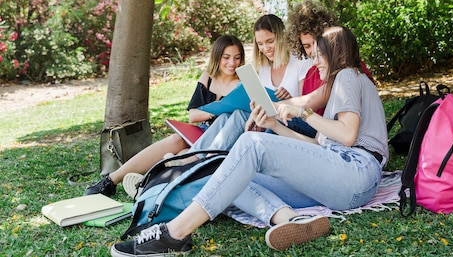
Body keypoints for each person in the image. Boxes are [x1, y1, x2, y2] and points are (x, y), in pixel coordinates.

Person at [109, 26, 389, 256]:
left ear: (336, 53)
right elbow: (318, 147)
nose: (315, 61)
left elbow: (348, 135)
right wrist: (271, 126)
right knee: (231, 172)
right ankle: (289, 220)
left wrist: (302, 111)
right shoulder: (338, 89)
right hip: (338, 181)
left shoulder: (349, 75)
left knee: (250, 145)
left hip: (355, 172)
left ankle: (174, 233)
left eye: (320, 55)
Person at [84, 35, 245, 197]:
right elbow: (193, 115)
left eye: (237, 58)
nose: (232, 63)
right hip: (201, 131)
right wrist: (218, 109)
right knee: (175, 140)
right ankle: (111, 180)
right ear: (217, 57)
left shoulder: (241, 83)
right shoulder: (208, 77)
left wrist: (211, 112)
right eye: (227, 57)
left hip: (221, 137)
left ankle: (145, 187)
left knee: (183, 156)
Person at [190, 13, 315, 150]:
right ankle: (199, 156)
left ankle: (209, 159)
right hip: (271, 117)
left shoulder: (300, 61)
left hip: (294, 119)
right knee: (232, 115)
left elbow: (307, 106)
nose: (265, 48)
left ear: (281, 37)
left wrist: (290, 99)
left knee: (244, 118)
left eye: (270, 41)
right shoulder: (262, 68)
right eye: (260, 44)